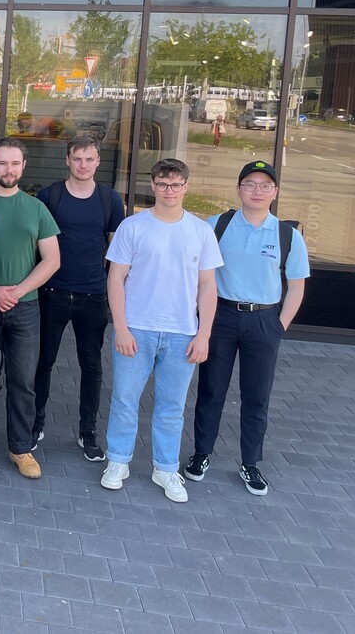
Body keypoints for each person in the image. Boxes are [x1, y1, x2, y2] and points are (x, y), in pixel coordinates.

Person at [184, 160, 309, 496]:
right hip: (221, 316)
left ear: (275, 192)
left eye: (265, 185)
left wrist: (278, 326)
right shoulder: (217, 225)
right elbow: (198, 275)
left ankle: (250, 463)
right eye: (250, 184)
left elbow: (296, 286)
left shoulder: (288, 235)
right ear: (239, 189)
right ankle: (201, 454)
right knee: (211, 391)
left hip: (264, 321)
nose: (257, 191)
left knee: (257, 397)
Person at [100, 158, 222, 502]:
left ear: (186, 187)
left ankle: (166, 468)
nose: (169, 190)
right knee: (124, 399)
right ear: (152, 186)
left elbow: (208, 287)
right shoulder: (133, 226)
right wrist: (120, 327)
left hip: (182, 331)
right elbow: (115, 278)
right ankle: (118, 461)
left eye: (176, 184)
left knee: (171, 405)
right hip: (137, 328)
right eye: (163, 184)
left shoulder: (200, 231)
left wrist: (204, 334)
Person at [0, 137, 60, 480]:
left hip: (25, 309)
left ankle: (21, 447)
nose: (8, 169)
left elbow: (52, 260)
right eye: (2, 163)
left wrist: (15, 292)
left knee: (23, 381)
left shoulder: (36, 208)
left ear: (23, 166)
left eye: (15, 163)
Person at [32, 135, 125, 462]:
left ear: (98, 161)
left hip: (92, 295)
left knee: (91, 366)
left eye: (89, 159)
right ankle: (35, 422)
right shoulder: (49, 196)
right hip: (52, 293)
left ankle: (88, 432)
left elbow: (117, 253)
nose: (83, 165)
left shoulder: (110, 200)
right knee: (43, 361)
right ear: (68, 160)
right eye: (77, 159)